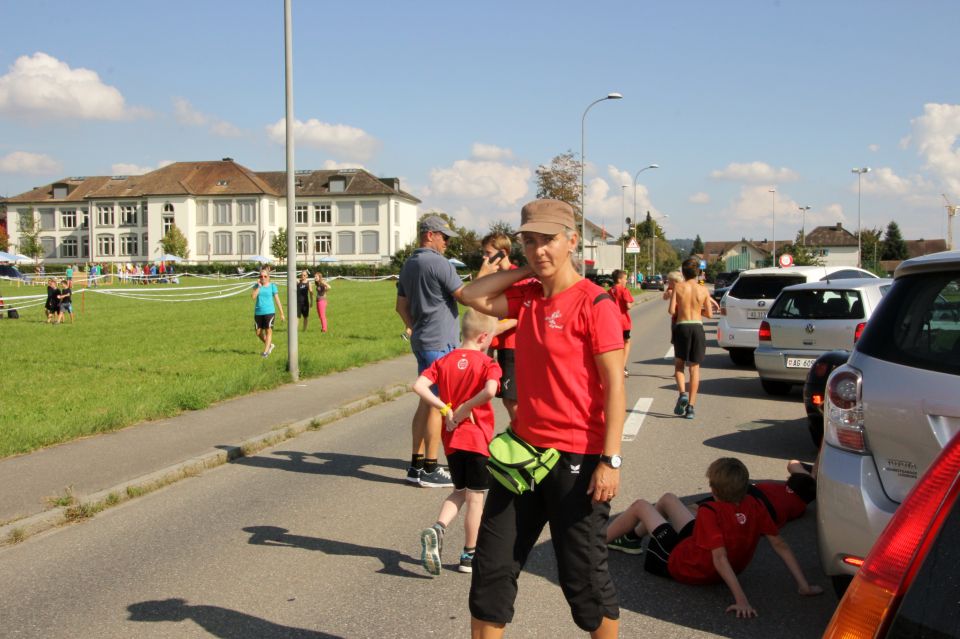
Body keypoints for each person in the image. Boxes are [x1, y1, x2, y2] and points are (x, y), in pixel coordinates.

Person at [460, 199, 625, 639]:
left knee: (584, 584)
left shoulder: (595, 303)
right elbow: (470, 296)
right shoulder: (528, 296)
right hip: (522, 455)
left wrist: (610, 459)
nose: (539, 250)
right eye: (530, 241)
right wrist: (525, 271)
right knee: (491, 572)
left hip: (578, 459)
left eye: (549, 240)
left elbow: (614, 386)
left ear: (572, 240)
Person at [605, 457, 823, 618]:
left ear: (713, 489)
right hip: (715, 559)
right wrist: (804, 585)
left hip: (681, 563)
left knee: (640, 506)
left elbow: (719, 557)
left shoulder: (709, 511)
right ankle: (631, 539)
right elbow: (780, 544)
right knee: (668, 499)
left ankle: (595, 544)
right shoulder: (754, 505)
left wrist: (742, 600)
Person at [412, 309, 502, 576]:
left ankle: (438, 528)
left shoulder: (445, 360)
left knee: (459, 491)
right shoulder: (488, 363)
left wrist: (445, 408)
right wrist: (466, 408)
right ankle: (469, 555)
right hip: (476, 439)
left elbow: (419, 386)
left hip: (452, 439)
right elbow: (490, 390)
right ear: (483, 337)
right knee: (476, 498)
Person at [395, 215, 464, 488]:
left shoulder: (409, 264)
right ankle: (431, 468)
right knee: (438, 404)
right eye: (444, 237)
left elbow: (400, 306)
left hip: (423, 341)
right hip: (440, 344)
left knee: (425, 402)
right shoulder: (439, 263)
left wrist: (415, 327)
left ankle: (416, 466)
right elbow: (464, 296)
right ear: (430, 235)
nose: (447, 243)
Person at [479, 232, 527, 422]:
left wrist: (496, 328)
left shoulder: (519, 279)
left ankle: (523, 435)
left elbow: (523, 314)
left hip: (515, 346)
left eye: (488, 253)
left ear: (503, 253)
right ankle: (520, 433)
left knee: (512, 401)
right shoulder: (495, 279)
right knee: (508, 399)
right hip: (500, 346)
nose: (484, 258)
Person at [669, 257, 713, 419]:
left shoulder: (678, 287)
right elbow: (709, 314)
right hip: (697, 327)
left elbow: (671, 311)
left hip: (682, 327)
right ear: (698, 272)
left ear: (683, 272)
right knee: (694, 369)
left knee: (679, 365)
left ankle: (682, 394)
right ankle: (691, 408)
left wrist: (683, 309)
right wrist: (698, 310)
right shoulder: (703, 290)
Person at [251, 269, 285, 357]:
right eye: (261, 276)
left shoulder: (272, 286)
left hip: (269, 312)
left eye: (265, 276)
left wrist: (281, 313)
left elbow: (277, 300)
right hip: (258, 312)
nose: (263, 278)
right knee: (258, 333)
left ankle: (265, 352)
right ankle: (270, 345)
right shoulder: (257, 286)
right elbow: (253, 297)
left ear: (268, 277)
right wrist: (259, 286)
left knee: (268, 331)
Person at [607, 269, 635, 377]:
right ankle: (622, 366)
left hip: (612, 321)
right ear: (619, 280)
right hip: (623, 322)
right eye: (625, 279)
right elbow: (628, 306)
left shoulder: (610, 291)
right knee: (626, 342)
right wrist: (631, 304)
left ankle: (615, 365)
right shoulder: (624, 290)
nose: (626, 281)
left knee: (616, 345)